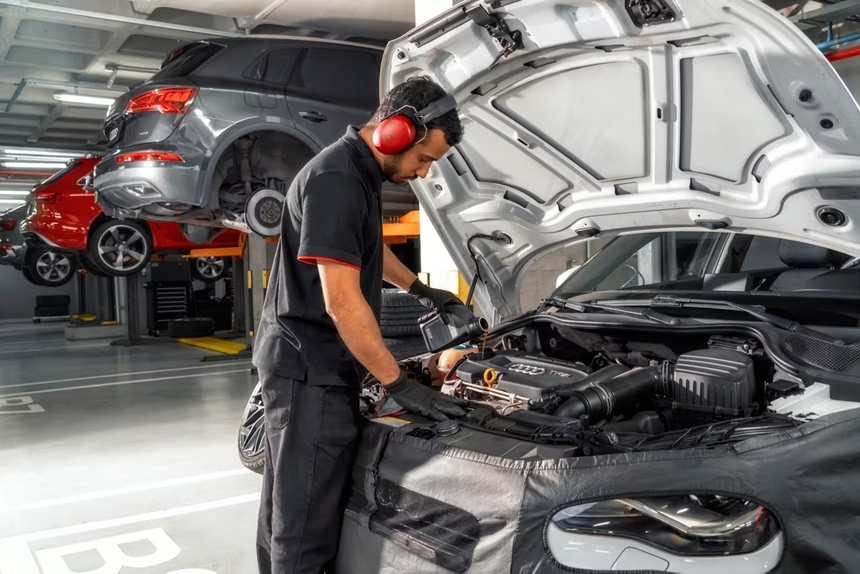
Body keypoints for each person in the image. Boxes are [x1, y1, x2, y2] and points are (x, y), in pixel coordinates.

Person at [252, 76, 468, 574]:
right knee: (305, 521)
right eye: (422, 157)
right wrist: (398, 384)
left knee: (286, 505)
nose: (423, 171)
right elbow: (343, 304)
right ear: (394, 132)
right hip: (311, 372)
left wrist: (421, 290)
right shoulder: (337, 181)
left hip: (310, 365)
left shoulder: (355, 174)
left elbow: (369, 249)